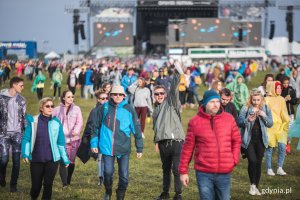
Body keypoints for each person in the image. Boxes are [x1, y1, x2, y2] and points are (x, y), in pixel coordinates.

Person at [179, 90, 241, 200]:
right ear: (205, 103)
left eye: (217, 101)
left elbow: (236, 140)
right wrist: (183, 171)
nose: (216, 104)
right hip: (204, 173)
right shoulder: (195, 122)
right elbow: (187, 148)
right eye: (212, 102)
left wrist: (234, 159)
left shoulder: (229, 119)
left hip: (224, 172)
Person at [90, 85, 143, 200]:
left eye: (120, 94)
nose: (117, 96)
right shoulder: (103, 108)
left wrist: (139, 147)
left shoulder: (129, 109)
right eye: (115, 94)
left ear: (124, 96)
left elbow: (136, 128)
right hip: (106, 147)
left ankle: (120, 195)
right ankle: (108, 191)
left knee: (124, 176)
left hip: (123, 148)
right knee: (108, 173)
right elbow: (94, 127)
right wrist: (94, 143)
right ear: (110, 95)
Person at [21, 98, 70, 200]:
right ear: (41, 108)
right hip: (36, 160)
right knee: (35, 187)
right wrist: (25, 154)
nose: (50, 108)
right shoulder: (33, 121)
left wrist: (65, 159)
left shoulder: (56, 122)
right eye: (47, 106)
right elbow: (26, 139)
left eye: (52, 106)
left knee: (48, 185)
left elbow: (61, 143)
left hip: (52, 160)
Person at [152, 63, 185, 200]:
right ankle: (165, 193)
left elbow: (174, 90)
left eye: (161, 93)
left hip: (176, 141)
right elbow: (156, 128)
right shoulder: (155, 110)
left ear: (165, 94)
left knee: (176, 169)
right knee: (165, 169)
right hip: (163, 143)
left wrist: (178, 73)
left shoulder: (171, 102)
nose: (159, 96)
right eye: (156, 94)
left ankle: (178, 194)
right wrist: (156, 142)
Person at [238, 88, 273, 195]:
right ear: (251, 99)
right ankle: (252, 185)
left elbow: (270, 124)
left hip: (261, 139)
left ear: (261, 99)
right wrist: (247, 120)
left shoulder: (265, 108)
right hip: (248, 138)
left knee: (258, 163)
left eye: (258, 100)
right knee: (252, 161)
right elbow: (239, 122)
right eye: (254, 100)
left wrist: (264, 115)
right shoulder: (245, 108)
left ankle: (256, 186)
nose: (256, 102)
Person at [0, 77, 26, 192]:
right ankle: (2, 175)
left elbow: (23, 117)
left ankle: (13, 185)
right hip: (3, 134)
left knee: (16, 162)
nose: (23, 87)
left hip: (17, 134)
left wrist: (26, 130)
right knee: (4, 159)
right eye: (21, 85)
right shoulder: (1, 98)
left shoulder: (22, 100)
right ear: (14, 85)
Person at [52, 90, 83, 187]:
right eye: (68, 97)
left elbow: (80, 122)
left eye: (72, 97)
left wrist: (76, 131)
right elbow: (53, 122)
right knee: (63, 161)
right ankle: (64, 183)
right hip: (61, 140)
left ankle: (68, 179)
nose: (71, 98)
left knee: (71, 161)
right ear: (64, 98)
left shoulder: (77, 109)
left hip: (74, 140)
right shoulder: (56, 110)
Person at [265, 81, 290, 176]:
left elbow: (284, 113)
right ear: (273, 88)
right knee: (270, 148)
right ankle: (269, 168)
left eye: (280, 88)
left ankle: (280, 167)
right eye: (277, 88)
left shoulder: (281, 100)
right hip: (270, 127)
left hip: (280, 126)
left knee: (282, 147)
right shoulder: (266, 99)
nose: (279, 89)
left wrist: (286, 123)